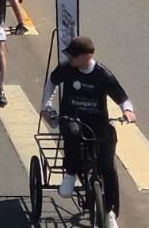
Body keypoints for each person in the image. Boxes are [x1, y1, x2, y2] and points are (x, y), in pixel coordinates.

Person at [41, 35, 135, 226]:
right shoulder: (66, 69)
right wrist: (46, 105)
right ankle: (70, 174)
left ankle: (109, 213)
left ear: (88, 56)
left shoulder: (102, 75)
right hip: (72, 118)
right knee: (73, 133)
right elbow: (51, 82)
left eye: (75, 56)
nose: (71, 59)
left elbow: (123, 98)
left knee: (108, 167)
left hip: (98, 123)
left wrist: (128, 111)